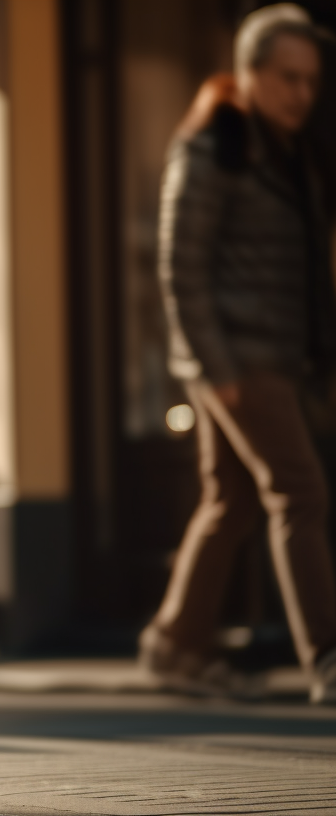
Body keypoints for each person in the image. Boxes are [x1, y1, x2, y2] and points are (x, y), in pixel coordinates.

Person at [145, 4, 336, 706]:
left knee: (230, 501)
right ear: (249, 72)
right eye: (287, 78)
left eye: (311, 80)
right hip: (237, 358)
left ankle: (173, 644)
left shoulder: (290, 152)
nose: (301, 93)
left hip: (273, 354)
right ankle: (329, 657)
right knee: (302, 493)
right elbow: (179, 268)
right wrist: (215, 369)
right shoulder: (212, 147)